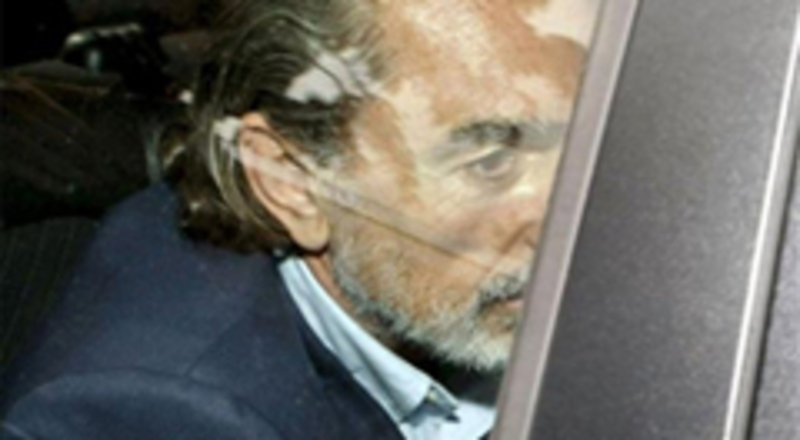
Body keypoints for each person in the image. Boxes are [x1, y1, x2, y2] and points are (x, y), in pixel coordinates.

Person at [1, 0, 595, 438]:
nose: (566, 220)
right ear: (292, 183)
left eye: (583, 144)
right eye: (491, 162)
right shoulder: (164, 415)